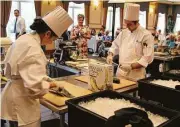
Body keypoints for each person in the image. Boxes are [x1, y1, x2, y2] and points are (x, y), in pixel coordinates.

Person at [1, 6, 73, 127]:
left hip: (12, 95)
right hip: (22, 102)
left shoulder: (24, 38)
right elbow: (35, 87)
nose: (51, 42)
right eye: (53, 39)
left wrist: (48, 80)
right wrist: (51, 85)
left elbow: (25, 71)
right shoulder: (34, 49)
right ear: (48, 33)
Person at [107, 3, 154, 81]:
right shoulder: (123, 33)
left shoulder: (146, 35)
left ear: (137, 22)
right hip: (120, 73)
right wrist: (110, 55)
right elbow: (115, 45)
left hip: (136, 75)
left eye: (130, 24)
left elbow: (147, 58)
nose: (127, 27)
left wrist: (131, 66)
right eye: (126, 24)